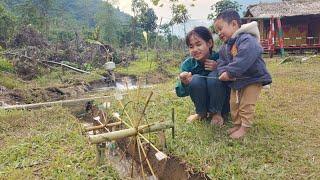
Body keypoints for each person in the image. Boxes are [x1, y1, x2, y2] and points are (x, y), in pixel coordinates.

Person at [214, 9, 272, 139]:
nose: (219, 33)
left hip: (253, 78)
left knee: (246, 103)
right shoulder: (225, 47)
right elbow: (221, 62)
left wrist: (230, 72)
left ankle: (245, 127)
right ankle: (237, 124)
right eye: (217, 31)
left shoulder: (247, 38)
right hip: (237, 81)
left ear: (234, 24)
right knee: (234, 103)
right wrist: (223, 71)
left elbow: (245, 57)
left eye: (220, 28)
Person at [175, 26, 230, 125]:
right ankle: (201, 113)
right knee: (195, 79)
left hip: (223, 104)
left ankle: (217, 114)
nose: (195, 49)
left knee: (214, 76)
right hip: (202, 104)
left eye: (198, 44)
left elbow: (234, 79)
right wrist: (184, 82)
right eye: (191, 46)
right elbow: (180, 92)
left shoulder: (220, 57)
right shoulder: (187, 65)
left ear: (209, 43)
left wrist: (219, 68)